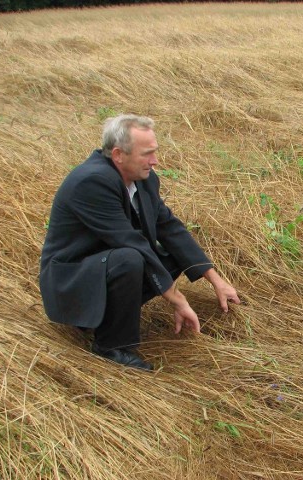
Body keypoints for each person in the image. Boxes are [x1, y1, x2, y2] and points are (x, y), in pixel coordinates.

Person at [40, 114, 240, 371]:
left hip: (102, 267)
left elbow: (169, 227)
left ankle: (107, 317)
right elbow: (131, 242)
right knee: (130, 258)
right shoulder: (91, 182)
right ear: (118, 155)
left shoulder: (143, 179)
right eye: (147, 154)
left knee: (169, 252)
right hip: (71, 282)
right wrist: (178, 300)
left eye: (154, 152)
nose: (155, 161)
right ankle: (111, 346)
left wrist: (216, 280)